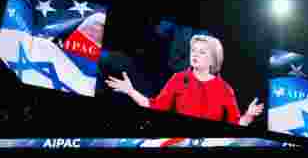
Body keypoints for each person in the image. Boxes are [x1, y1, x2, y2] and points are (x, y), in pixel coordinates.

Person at [106, 34, 264, 125]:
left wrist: (249, 115)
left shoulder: (225, 89)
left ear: (213, 59)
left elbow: (236, 123)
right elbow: (155, 106)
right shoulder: (178, 78)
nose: (195, 54)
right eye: (193, 50)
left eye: (202, 52)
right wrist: (131, 91)